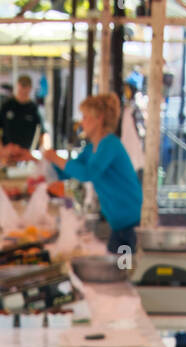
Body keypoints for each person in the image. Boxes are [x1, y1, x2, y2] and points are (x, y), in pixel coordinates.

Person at [45, 92, 142, 256]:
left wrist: (56, 158)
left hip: (131, 224)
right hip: (118, 224)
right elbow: (68, 172)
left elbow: (87, 173)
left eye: (85, 117)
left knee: (123, 270)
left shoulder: (110, 144)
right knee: (116, 267)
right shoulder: (92, 149)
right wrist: (39, 159)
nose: (81, 123)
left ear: (99, 119)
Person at [0, 75, 44, 153]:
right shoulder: (7, 105)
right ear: (18, 86)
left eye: (26, 87)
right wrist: (1, 149)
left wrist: (40, 150)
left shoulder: (33, 108)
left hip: (26, 153)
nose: (23, 90)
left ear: (30, 88)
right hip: (8, 153)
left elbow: (41, 132)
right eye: (22, 86)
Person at [121, 74, 146, 180]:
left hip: (133, 156)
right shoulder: (129, 109)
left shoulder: (135, 109)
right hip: (129, 156)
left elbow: (141, 132)